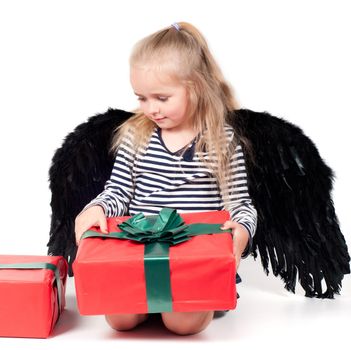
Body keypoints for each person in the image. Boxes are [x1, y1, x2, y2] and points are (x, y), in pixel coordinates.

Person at [74, 21, 257, 336]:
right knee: (120, 320)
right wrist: (99, 208)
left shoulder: (222, 140)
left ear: (196, 87)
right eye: (142, 98)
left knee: (181, 323)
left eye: (161, 97)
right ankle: (151, 294)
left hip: (196, 258)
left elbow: (239, 202)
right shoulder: (136, 135)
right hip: (140, 255)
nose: (150, 109)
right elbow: (118, 191)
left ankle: (183, 301)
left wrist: (240, 230)